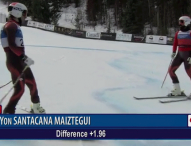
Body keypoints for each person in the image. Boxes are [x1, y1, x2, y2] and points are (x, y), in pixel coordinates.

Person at [0, 2, 46, 114]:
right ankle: (8, 112)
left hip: (20, 61)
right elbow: (11, 45)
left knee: (32, 83)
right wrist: (23, 57)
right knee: (19, 89)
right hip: (14, 62)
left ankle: (36, 107)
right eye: (24, 13)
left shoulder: (14, 25)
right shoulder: (10, 25)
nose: (25, 16)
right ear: (17, 11)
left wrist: (23, 58)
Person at [168, 15, 191, 96]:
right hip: (179, 54)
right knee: (171, 70)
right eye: (179, 21)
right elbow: (175, 43)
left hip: (188, 54)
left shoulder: (190, 32)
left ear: (186, 22)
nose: (179, 23)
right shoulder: (178, 32)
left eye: (181, 21)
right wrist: (174, 52)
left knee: (189, 73)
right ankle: (177, 90)